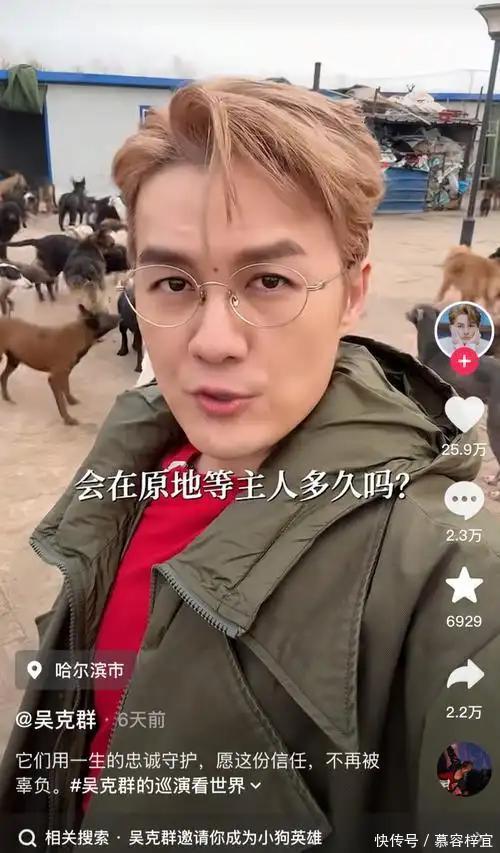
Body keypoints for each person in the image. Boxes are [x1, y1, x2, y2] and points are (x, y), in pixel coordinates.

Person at [2, 78, 500, 851]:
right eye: (173, 283)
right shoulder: (131, 464)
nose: (212, 341)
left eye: (269, 282)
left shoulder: (452, 582)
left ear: (352, 294)